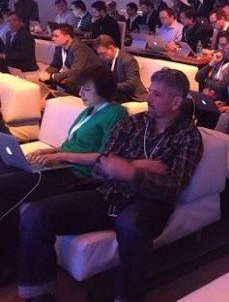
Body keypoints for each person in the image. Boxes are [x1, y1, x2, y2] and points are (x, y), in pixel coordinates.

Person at [18, 68, 203, 301]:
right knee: (35, 215)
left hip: (148, 203)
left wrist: (129, 172)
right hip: (108, 194)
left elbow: (172, 186)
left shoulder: (188, 136)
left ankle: (128, 297)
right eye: (150, 91)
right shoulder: (134, 123)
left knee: (131, 226)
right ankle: (39, 294)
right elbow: (100, 167)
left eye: (157, 94)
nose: (148, 98)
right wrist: (136, 166)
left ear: (176, 102)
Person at [0, 66, 128, 286]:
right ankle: (11, 255)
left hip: (77, 175)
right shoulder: (89, 111)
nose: (81, 93)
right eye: (81, 88)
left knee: (6, 187)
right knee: (7, 172)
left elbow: (105, 157)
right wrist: (50, 151)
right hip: (61, 165)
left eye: (87, 89)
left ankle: (11, 263)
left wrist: (61, 156)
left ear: (103, 89)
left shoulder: (116, 114)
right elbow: (74, 145)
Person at [44, 24, 100, 94]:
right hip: (76, 75)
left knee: (69, 80)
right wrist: (46, 73)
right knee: (45, 80)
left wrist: (54, 76)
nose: (53, 39)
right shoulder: (59, 46)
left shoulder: (78, 47)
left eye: (56, 36)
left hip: (90, 77)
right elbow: (55, 65)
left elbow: (77, 70)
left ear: (67, 37)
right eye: (53, 36)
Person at [195, 30, 229, 111]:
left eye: (224, 45)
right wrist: (211, 63)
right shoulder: (219, 59)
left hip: (220, 101)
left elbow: (220, 86)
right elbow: (198, 77)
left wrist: (207, 81)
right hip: (206, 97)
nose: (220, 49)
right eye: (219, 45)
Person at [94, 35, 148, 103]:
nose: (101, 56)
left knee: (105, 97)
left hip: (131, 95)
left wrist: (111, 87)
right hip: (117, 93)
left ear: (111, 48)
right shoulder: (104, 60)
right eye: (99, 54)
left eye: (102, 53)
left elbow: (132, 84)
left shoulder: (128, 60)